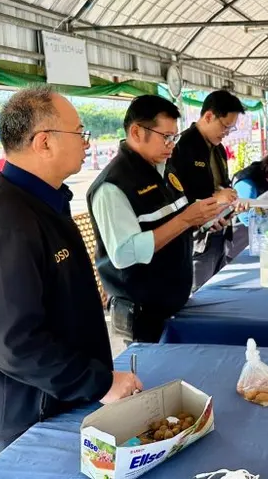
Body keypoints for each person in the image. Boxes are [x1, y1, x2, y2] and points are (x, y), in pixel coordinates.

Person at [0, 88, 142, 453]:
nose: (86, 142)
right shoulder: (8, 224)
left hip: (52, 393)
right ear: (44, 142)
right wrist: (98, 383)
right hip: (22, 410)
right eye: (80, 132)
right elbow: (15, 343)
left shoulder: (41, 201)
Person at [87, 95, 220, 343]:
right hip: (143, 316)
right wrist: (185, 220)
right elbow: (124, 253)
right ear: (136, 132)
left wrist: (202, 220)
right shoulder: (113, 186)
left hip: (174, 302)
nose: (172, 144)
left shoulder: (165, 169)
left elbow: (173, 221)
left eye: (175, 137)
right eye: (166, 137)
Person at [171, 90, 245, 290]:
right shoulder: (182, 147)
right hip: (198, 237)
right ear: (208, 116)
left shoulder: (218, 148)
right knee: (198, 295)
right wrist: (215, 197)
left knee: (218, 290)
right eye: (225, 126)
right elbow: (174, 197)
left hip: (219, 229)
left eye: (231, 128)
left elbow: (221, 183)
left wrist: (228, 197)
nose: (226, 133)